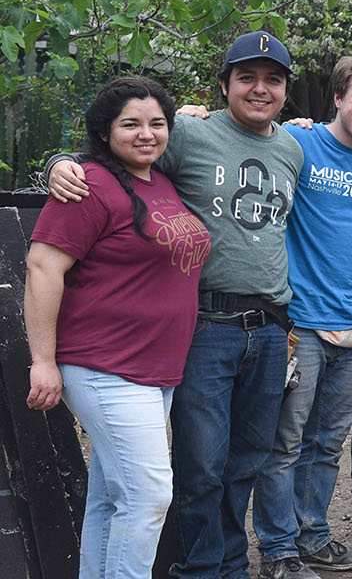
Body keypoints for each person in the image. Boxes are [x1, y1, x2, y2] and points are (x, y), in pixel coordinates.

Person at [46, 31, 304, 578]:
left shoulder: (292, 147)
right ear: (224, 84)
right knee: (199, 468)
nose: (260, 89)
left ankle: (232, 566)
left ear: (286, 90)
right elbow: (120, 145)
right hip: (206, 326)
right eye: (247, 77)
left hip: (270, 325)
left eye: (273, 80)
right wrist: (60, 161)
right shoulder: (187, 131)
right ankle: (200, 569)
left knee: (245, 464)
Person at [25, 76, 211, 579]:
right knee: (151, 496)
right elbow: (43, 266)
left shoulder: (159, 180)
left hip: (154, 370)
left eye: (157, 124)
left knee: (113, 498)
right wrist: (43, 361)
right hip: (106, 365)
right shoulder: (88, 185)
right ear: (105, 132)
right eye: (130, 124)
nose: (146, 134)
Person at [247, 54, 352, 578]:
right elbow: (244, 133)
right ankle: (278, 551)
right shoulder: (299, 141)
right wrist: (193, 112)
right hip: (301, 320)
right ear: (337, 97)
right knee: (285, 443)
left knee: (329, 442)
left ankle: (314, 536)